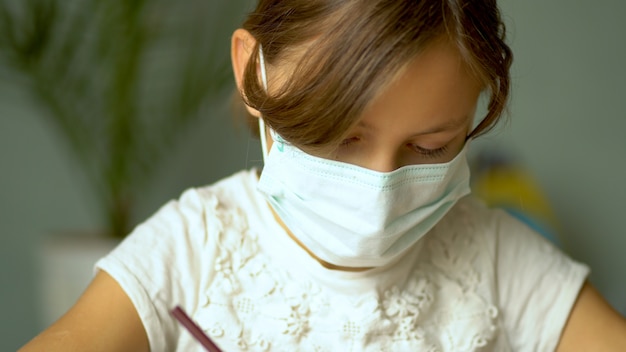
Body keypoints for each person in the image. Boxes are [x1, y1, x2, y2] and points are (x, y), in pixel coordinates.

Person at [20, 0, 626, 351]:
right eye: (340, 139)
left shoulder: (496, 262)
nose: (380, 188)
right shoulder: (193, 247)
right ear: (252, 69)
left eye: (429, 146)